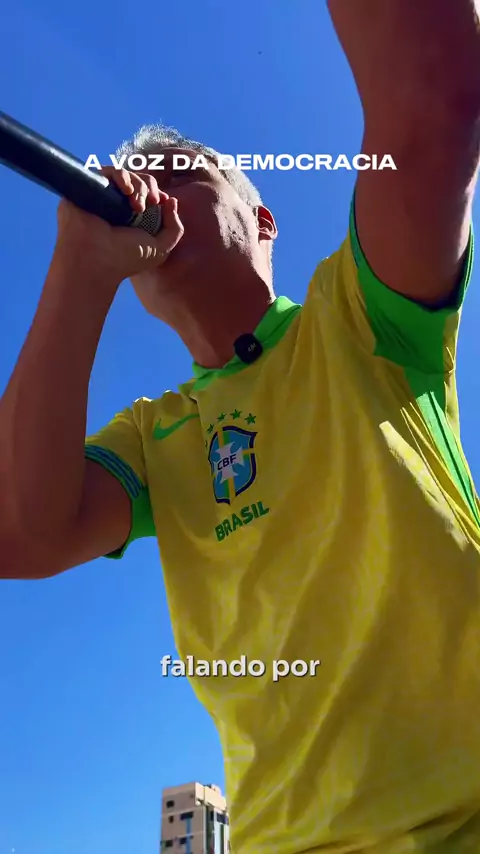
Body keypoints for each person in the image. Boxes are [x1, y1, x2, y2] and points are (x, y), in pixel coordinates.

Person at [2, 1, 480, 851]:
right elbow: (17, 534)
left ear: (262, 222)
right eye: (133, 184)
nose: (149, 192)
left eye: (181, 173)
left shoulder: (357, 314)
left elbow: (435, 102)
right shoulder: (152, 437)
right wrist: (80, 267)